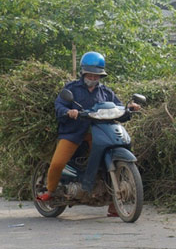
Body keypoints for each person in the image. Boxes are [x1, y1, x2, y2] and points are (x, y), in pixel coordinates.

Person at [36, 51, 140, 217]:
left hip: (98, 133)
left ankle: (114, 204)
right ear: (83, 73)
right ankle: (50, 190)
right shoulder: (71, 89)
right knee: (57, 163)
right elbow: (60, 106)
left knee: (107, 165)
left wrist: (130, 108)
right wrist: (69, 111)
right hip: (74, 132)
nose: (93, 77)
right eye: (90, 74)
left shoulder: (106, 92)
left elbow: (119, 109)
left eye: (97, 75)